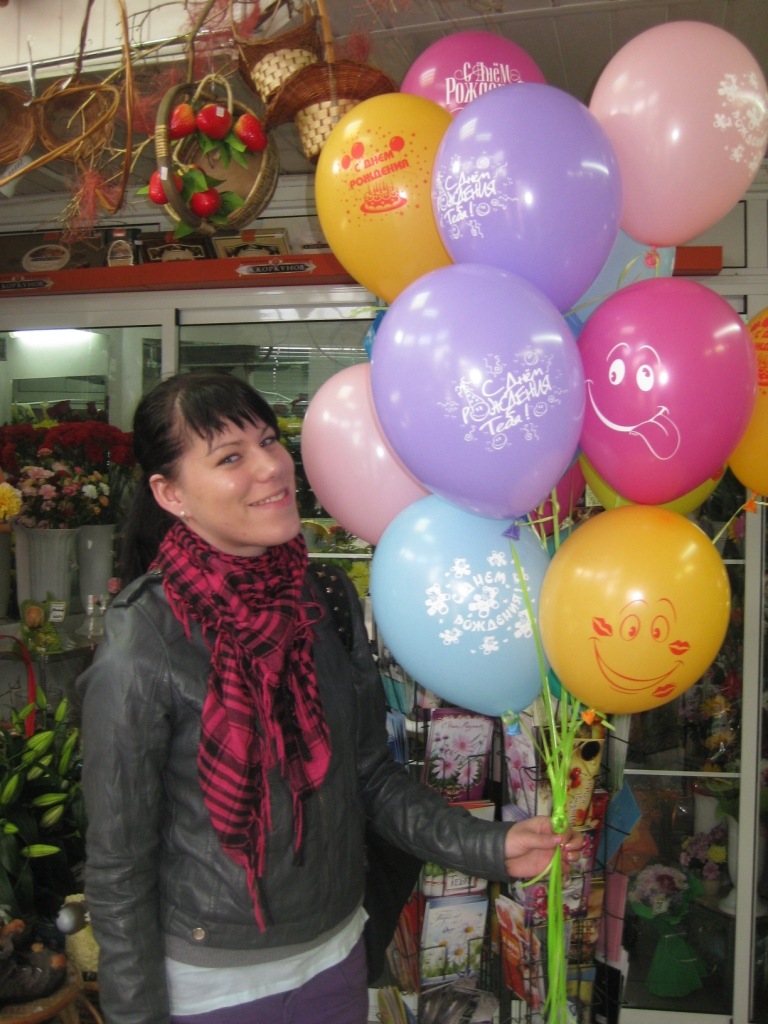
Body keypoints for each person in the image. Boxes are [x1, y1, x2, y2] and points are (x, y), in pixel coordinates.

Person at [78, 370, 581, 1024]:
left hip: (336, 962)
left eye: (269, 441)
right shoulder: (144, 640)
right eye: (230, 457)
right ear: (170, 493)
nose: (270, 467)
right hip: (211, 989)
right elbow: (118, 870)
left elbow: (369, 776)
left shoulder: (324, 601)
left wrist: (489, 845)